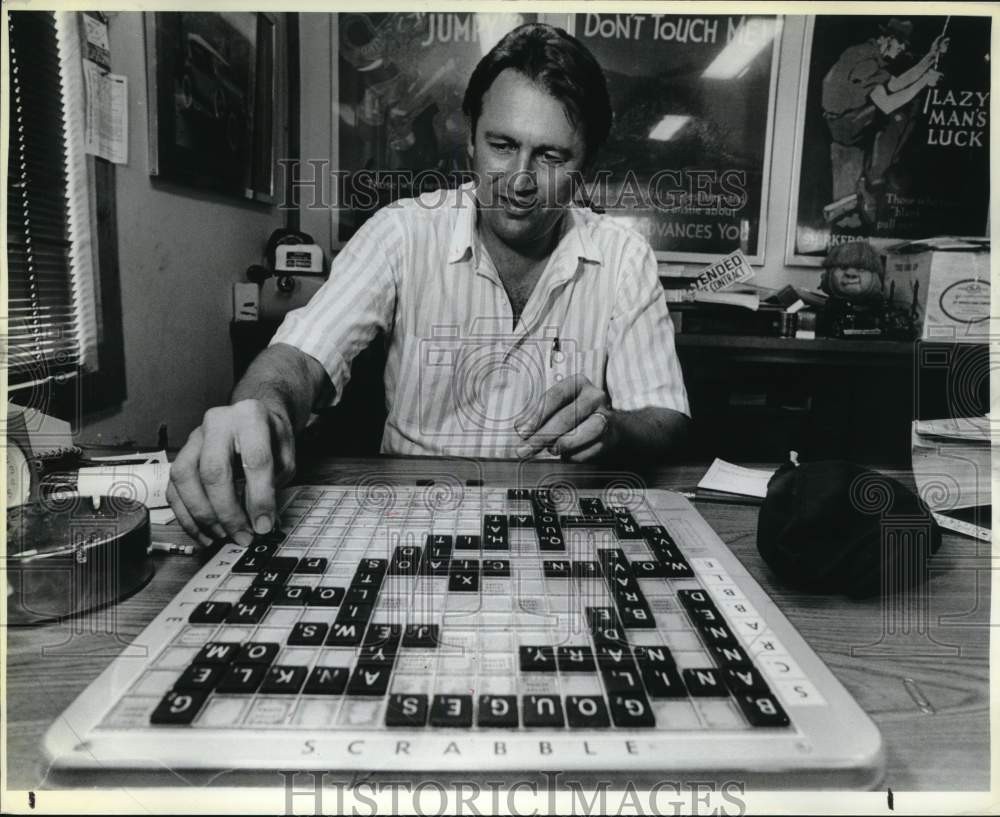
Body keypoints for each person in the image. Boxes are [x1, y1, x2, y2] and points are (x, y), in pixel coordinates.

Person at [168, 23, 690, 547]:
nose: (520, 179)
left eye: (551, 156)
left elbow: (665, 417)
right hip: (410, 517)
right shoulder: (402, 231)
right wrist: (262, 409)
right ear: (469, 140)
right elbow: (299, 360)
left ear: (587, 166)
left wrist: (613, 428)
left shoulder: (625, 257)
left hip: (561, 518)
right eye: (502, 145)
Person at [821, 18, 948, 224]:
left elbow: (896, 83)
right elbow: (887, 103)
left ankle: (872, 177)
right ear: (887, 39)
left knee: (904, 103)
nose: (901, 50)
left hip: (851, 117)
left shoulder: (870, 53)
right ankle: (875, 178)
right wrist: (924, 81)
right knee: (900, 112)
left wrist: (930, 56)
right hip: (843, 125)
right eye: (901, 44)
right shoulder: (865, 60)